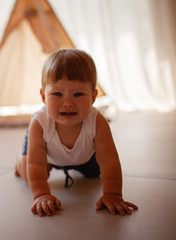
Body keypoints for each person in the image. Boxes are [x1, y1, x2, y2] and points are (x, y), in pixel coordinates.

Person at [15, 49, 138, 217]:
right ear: (44, 97)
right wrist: (41, 195)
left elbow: (109, 161)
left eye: (78, 94)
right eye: (57, 94)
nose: (67, 103)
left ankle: (75, 165)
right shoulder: (39, 123)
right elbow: (36, 164)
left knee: (95, 174)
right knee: (30, 174)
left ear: (93, 97)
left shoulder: (97, 121)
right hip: (48, 155)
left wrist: (113, 194)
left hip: (85, 156)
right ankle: (20, 160)